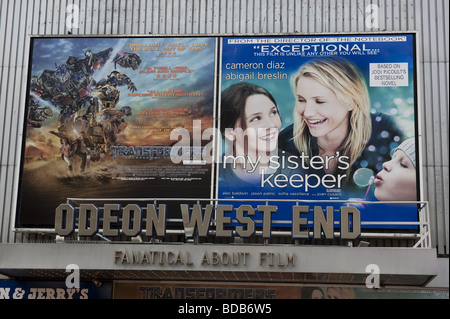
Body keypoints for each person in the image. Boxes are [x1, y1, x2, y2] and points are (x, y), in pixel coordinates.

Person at [278, 57, 404, 196]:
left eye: (320, 101)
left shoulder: (385, 134)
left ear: (351, 102)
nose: (307, 112)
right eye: (301, 100)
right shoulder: (284, 144)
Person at [219, 82, 283, 186]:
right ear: (230, 133)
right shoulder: (214, 174)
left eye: (273, 112)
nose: (271, 125)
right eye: (256, 118)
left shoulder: (292, 172)